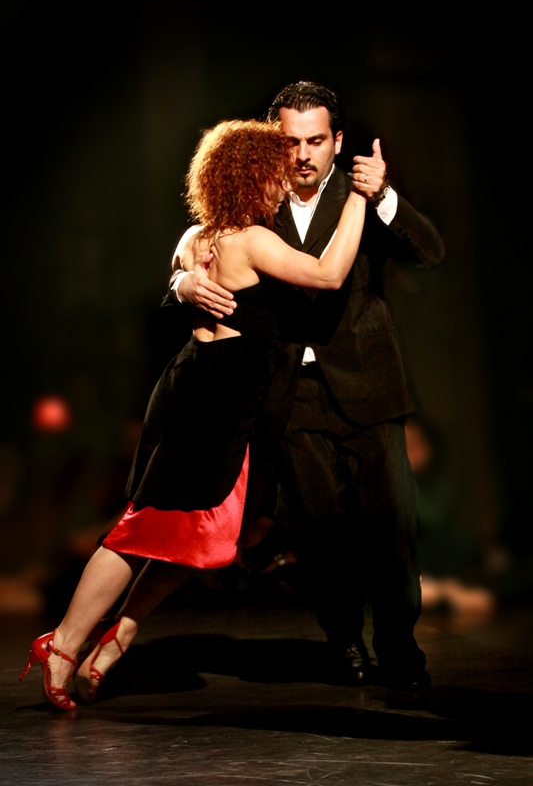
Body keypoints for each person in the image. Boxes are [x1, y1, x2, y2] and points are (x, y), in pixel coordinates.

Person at [19, 118, 368, 711]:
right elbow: (329, 274)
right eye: (276, 174)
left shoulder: (197, 237)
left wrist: (181, 282)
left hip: (203, 390)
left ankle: (115, 639)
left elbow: (180, 274)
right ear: (252, 177)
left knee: (196, 537)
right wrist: (359, 197)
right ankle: (65, 643)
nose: (285, 184)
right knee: (142, 529)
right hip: (214, 401)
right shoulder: (249, 240)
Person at [174, 82, 445, 689]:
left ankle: (400, 650)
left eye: (316, 141)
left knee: (392, 528)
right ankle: (344, 639)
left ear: (338, 141)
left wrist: (385, 197)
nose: (302, 154)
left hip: (369, 385)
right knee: (317, 531)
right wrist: (182, 282)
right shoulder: (257, 196)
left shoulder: (361, 192)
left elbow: (431, 252)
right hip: (288, 393)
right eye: (290, 142)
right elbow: (198, 237)